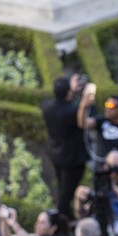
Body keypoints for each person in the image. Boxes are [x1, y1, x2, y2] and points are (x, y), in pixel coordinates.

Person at [39, 76, 92, 221]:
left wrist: (70, 91)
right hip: (73, 159)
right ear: (68, 93)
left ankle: (65, 215)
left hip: (56, 153)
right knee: (66, 194)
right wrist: (84, 103)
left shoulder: (46, 106)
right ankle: (62, 220)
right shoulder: (72, 111)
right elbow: (81, 121)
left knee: (62, 188)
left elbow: (61, 101)